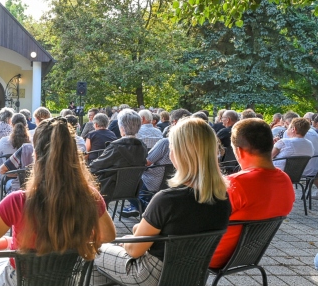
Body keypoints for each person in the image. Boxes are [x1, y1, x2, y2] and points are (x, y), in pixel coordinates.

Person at [0, 117, 114, 286]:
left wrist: (11, 244)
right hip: (64, 281)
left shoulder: (18, 201)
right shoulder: (90, 197)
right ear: (75, 155)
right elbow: (108, 236)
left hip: (18, 281)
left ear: (35, 155)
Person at [93, 118, 231, 285]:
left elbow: (135, 251)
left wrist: (127, 241)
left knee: (95, 251)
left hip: (153, 274)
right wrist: (138, 233)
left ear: (179, 152)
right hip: (192, 274)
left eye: (171, 145)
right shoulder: (223, 198)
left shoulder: (167, 200)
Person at [210, 118, 296, 270]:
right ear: (271, 145)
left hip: (211, 257)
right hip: (248, 257)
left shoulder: (236, 184)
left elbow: (203, 220)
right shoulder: (285, 181)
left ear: (239, 151)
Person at [90, 109, 149, 217]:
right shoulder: (142, 146)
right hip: (132, 188)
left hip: (109, 188)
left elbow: (95, 167)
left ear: (121, 127)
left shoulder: (116, 146)